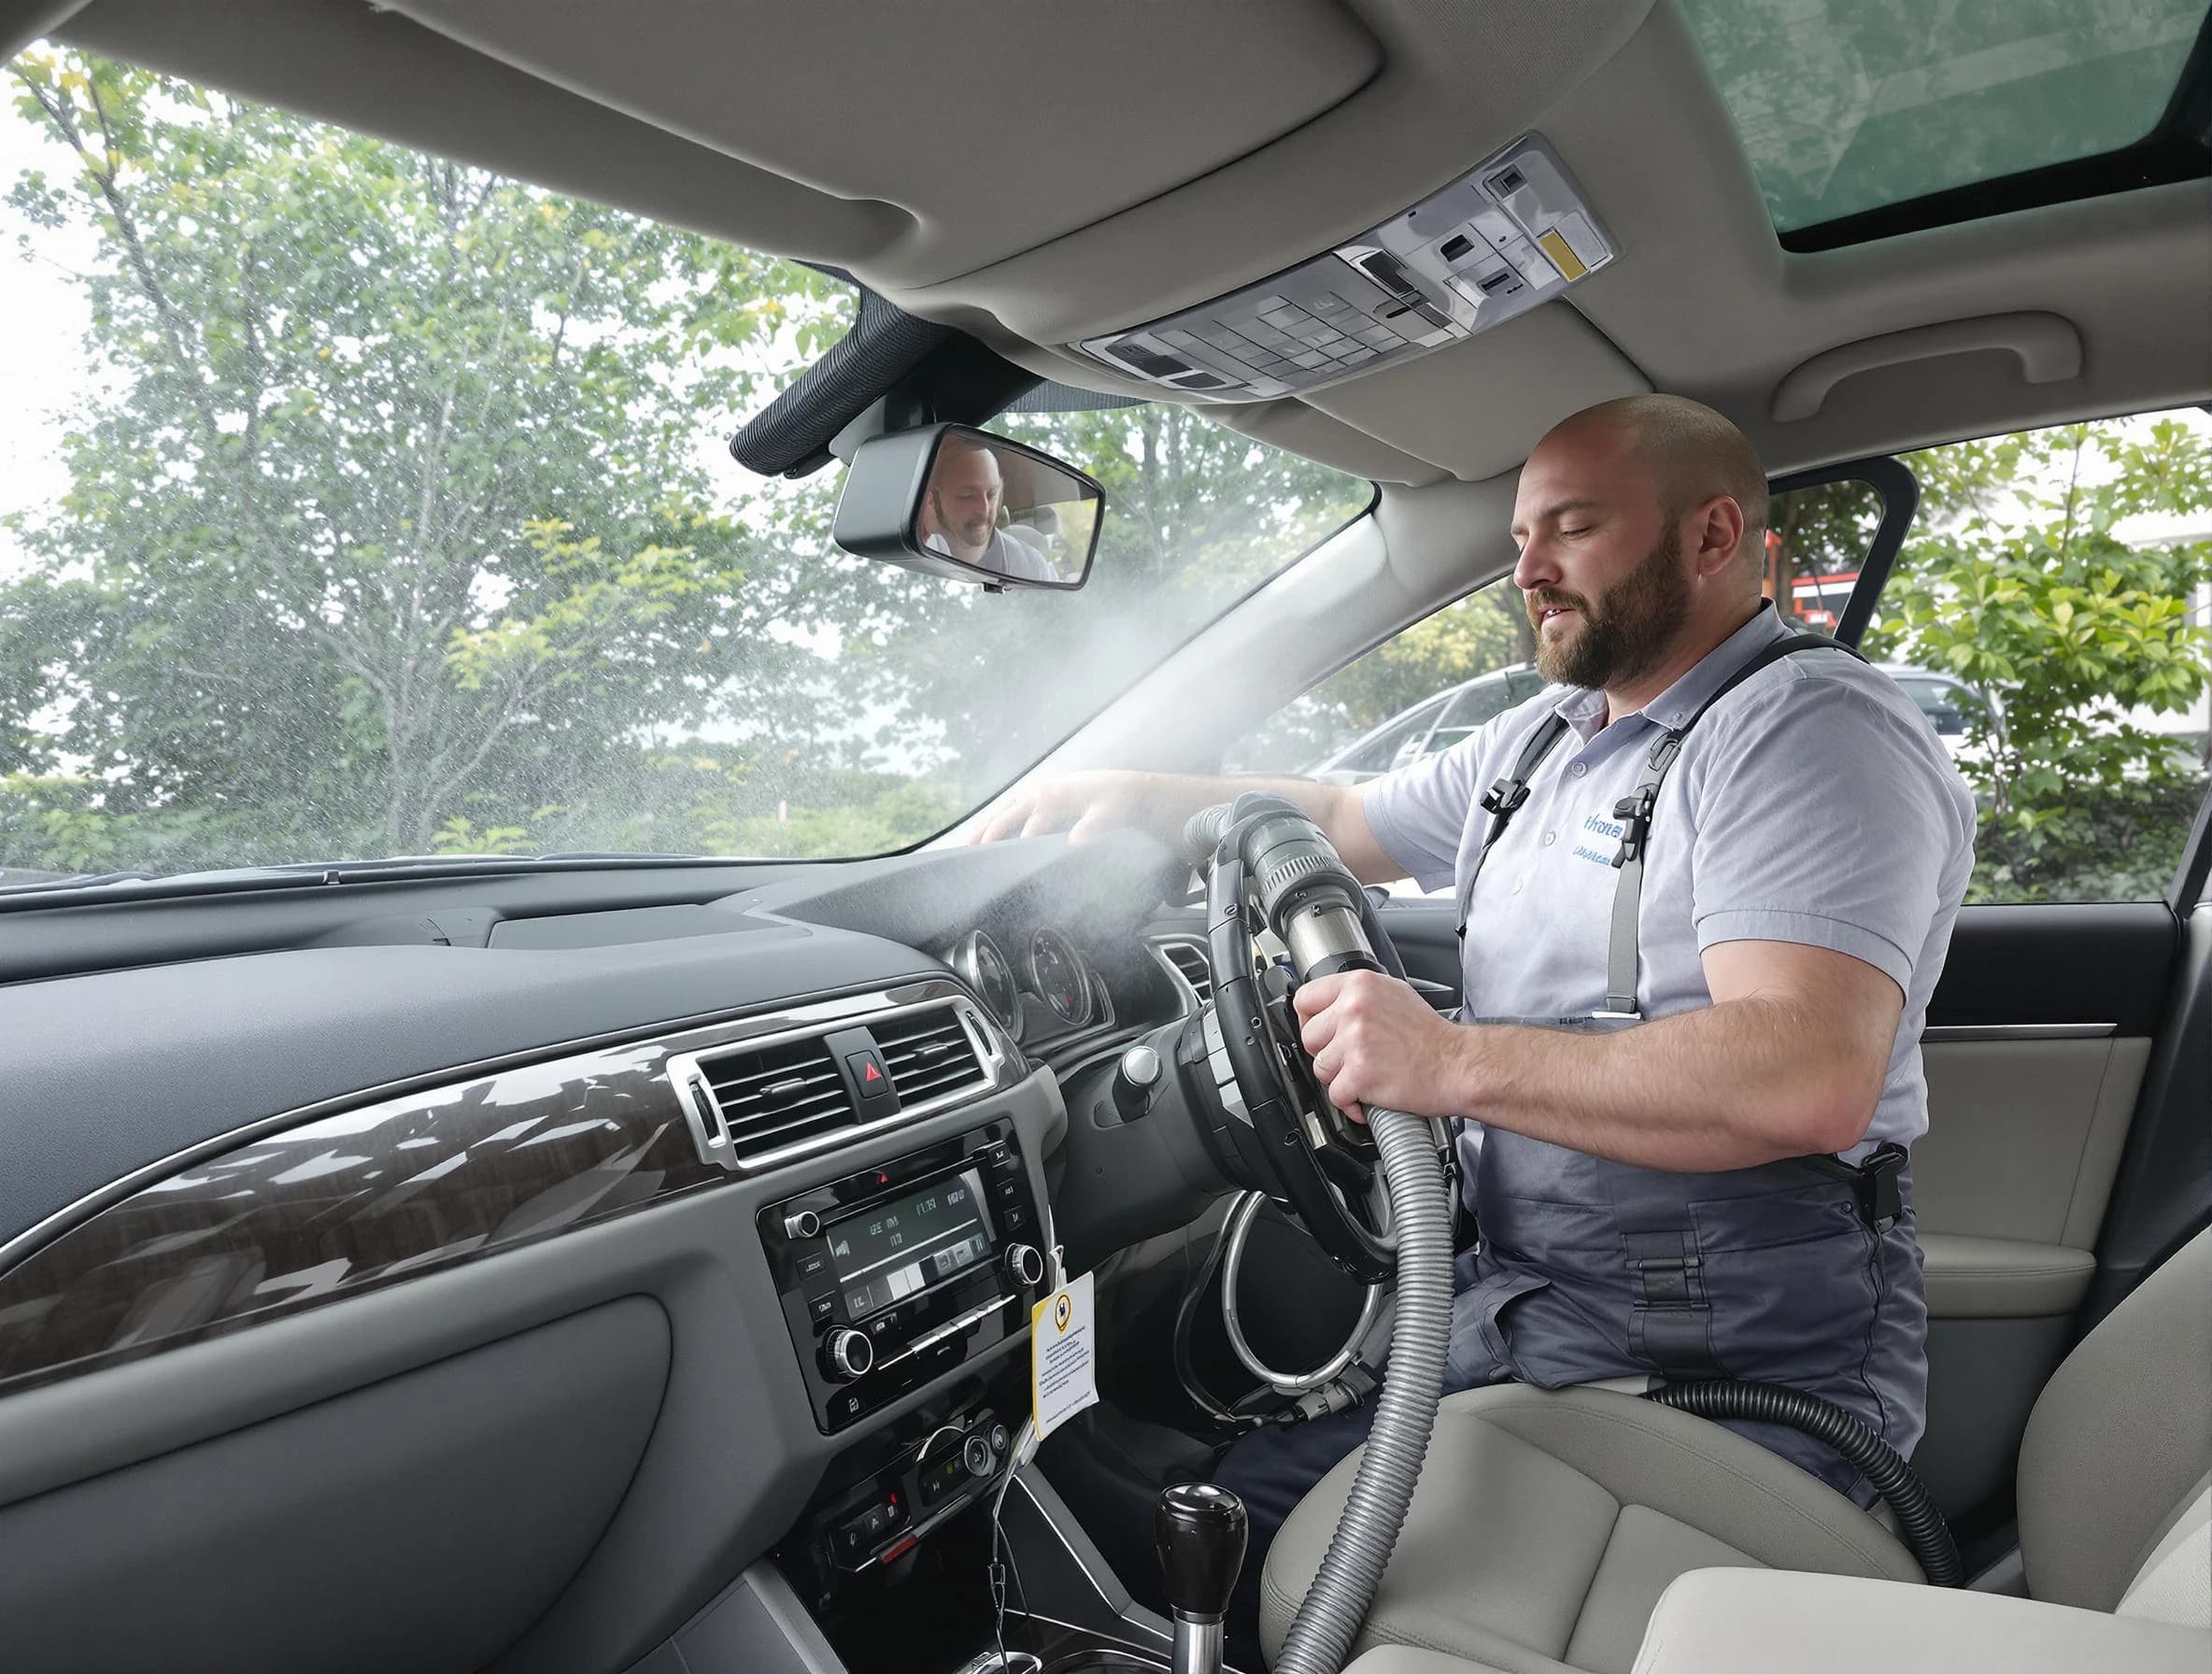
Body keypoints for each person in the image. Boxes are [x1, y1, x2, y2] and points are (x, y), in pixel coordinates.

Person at [971, 394, 1977, 1628]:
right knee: (1219, 1505)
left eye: (1574, 527)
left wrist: (1444, 1059)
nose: (1530, 571)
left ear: (1713, 540)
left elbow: (1804, 1074)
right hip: (1544, 1311)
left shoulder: (1804, 734)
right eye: (1517, 539)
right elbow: (1343, 825)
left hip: (1734, 1360)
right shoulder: (1550, 740)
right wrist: (1131, 793)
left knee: (1217, 1542)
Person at [915, 433, 1058, 582]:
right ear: (932, 499)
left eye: (992, 494)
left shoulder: (1030, 567)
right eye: (967, 496)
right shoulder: (918, 559)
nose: (984, 509)